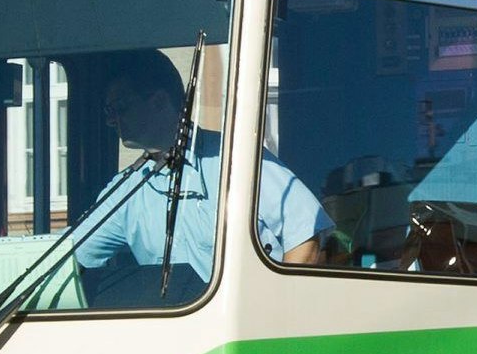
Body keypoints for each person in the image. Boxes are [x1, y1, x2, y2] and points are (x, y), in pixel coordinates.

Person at [74, 50, 331, 292]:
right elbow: (71, 255)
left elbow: (305, 234)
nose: (111, 120)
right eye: (108, 111)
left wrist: (276, 310)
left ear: (159, 101)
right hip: (176, 321)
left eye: (120, 108)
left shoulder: (236, 159)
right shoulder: (127, 190)